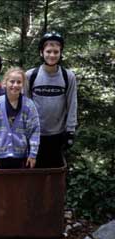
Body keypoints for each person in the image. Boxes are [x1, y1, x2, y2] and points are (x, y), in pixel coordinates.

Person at [25, 31, 77, 168]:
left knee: (54, 172)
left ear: (60, 53)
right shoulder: (31, 75)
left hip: (57, 134)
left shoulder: (68, 76)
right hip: (35, 134)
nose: (52, 55)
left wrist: (70, 131)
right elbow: (25, 105)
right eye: (48, 51)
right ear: (41, 53)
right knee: (34, 171)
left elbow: (72, 103)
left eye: (56, 52)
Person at [0, 67, 40, 169]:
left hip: (21, 157)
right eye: (12, 81)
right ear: (5, 83)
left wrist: (33, 154)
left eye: (19, 82)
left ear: (23, 85)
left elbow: (35, 131)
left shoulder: (29, 105)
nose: (15, 85)